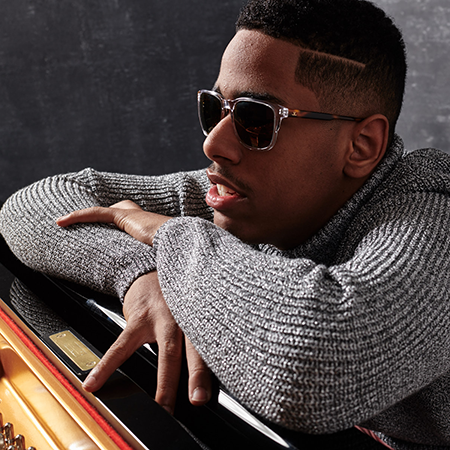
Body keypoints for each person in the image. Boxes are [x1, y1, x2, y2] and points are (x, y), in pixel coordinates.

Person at [1, 0, 450, 448]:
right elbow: (32, 204)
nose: (214, 145)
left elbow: (314, 365)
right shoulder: (247, 194)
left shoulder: (434, 214)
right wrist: (144, 276)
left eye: (256, 120)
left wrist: (168, 237)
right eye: (216, 108)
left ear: (361, 145)